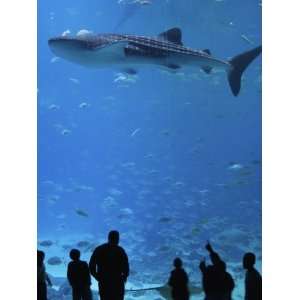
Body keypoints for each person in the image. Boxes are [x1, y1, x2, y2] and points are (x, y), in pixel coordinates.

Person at [89, 230, 129, 300]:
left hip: (104, 281)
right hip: (118, 281)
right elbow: (126, 266)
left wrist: (97, 277)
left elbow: (91, 266)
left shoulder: (99, 249)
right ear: (118, 239)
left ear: (108, 238)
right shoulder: (120, 250)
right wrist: (124, 277)